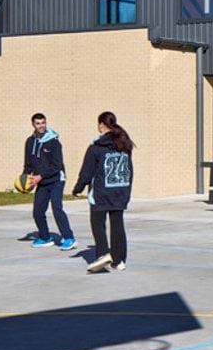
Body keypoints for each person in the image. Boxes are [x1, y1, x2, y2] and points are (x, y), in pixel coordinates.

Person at [72, 111, 133, 273]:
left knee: (98, 224)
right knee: (117, 225)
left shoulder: (96, 148)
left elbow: (87, 172)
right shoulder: (125, 145)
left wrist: (78, 188)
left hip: (101, 192)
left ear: (101, 125)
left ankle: (103, 254)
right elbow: (129, 171)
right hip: (120, 190)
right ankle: (119, 260)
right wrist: (127, 190)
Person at [23, 113, 76, 250]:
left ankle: (69, 238)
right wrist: (25, 179)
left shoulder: (54, 142)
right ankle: (45, 237)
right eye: (38, 123)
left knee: (56, 208)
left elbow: (57, 165)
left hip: (56, 179)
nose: (41, 126)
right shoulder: (30, 142)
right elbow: (28, 164)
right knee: (38, 211)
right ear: (33, 125)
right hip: (42, 181)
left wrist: (40, 176)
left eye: (43, 123)